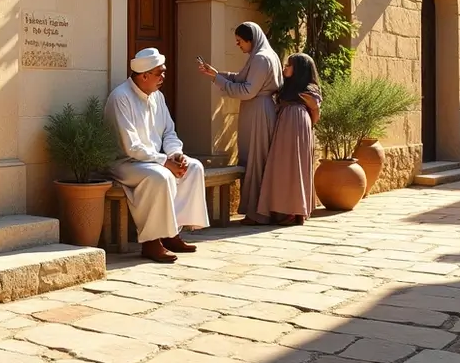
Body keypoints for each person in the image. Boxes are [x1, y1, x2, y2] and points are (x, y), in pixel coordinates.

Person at [106, 47, 210, 263]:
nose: (163, 76)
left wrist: (175, 154)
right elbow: (131, 146)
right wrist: (165, 161)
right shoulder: (120, 98)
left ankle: (172, 233)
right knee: (160, 176)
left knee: (194, 167)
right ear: (144, 75)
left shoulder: (158, 98)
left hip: (152, 160)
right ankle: (151, 243)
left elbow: (169, 132)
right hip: (125, 162)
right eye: (160, 73)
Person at [198, 22, 281, 225]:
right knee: (253, 158)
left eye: (239, 41)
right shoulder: (260, 56)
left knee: (256, 160)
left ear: (250, 40)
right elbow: (242, 79)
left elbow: (247, 90)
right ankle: (257, 210)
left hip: (259, 113)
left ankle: (259, 212)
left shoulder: (261, 58)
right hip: (257, 111)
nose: (238, 45)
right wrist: (216, 75)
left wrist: (220, 81)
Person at [257, 53, 321, 225]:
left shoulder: (308, 90)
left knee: (295, 165)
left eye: (289, 65)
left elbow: (316, 112)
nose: (285, 68)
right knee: (282, 165)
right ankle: (285, 210)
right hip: (285, 124)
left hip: (298, 124)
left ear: (298, 69)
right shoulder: (287, 88)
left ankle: (295, 211)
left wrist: (304, 121)